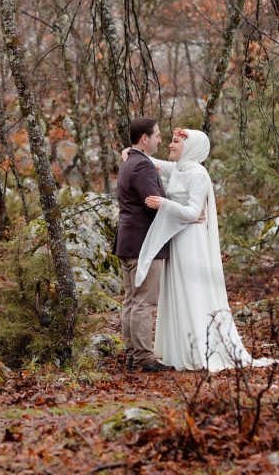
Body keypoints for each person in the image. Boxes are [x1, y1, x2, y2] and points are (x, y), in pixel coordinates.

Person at [130, 128, 277, 372]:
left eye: (176, 142)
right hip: (177, 239)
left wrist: (164, 204)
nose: (170, 145)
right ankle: (178, 348)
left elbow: (192, 212)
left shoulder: (197, 174)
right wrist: (132, 151)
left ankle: (200, 348)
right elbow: (155, 163)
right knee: (176, 289)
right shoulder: (179, 168)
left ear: (190, 148)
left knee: (191, 290)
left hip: (191, 241)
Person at [113, 118, 171, 373]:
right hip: (144, 244)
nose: (160, 139)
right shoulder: (142, 167)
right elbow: (154, 203)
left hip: (128, 242)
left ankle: (132, 354)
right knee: (143, 303)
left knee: (131, 300)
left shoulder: (129, 163)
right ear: (144, 138)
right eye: (157, 135)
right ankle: (143, 358)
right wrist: (184, 215)